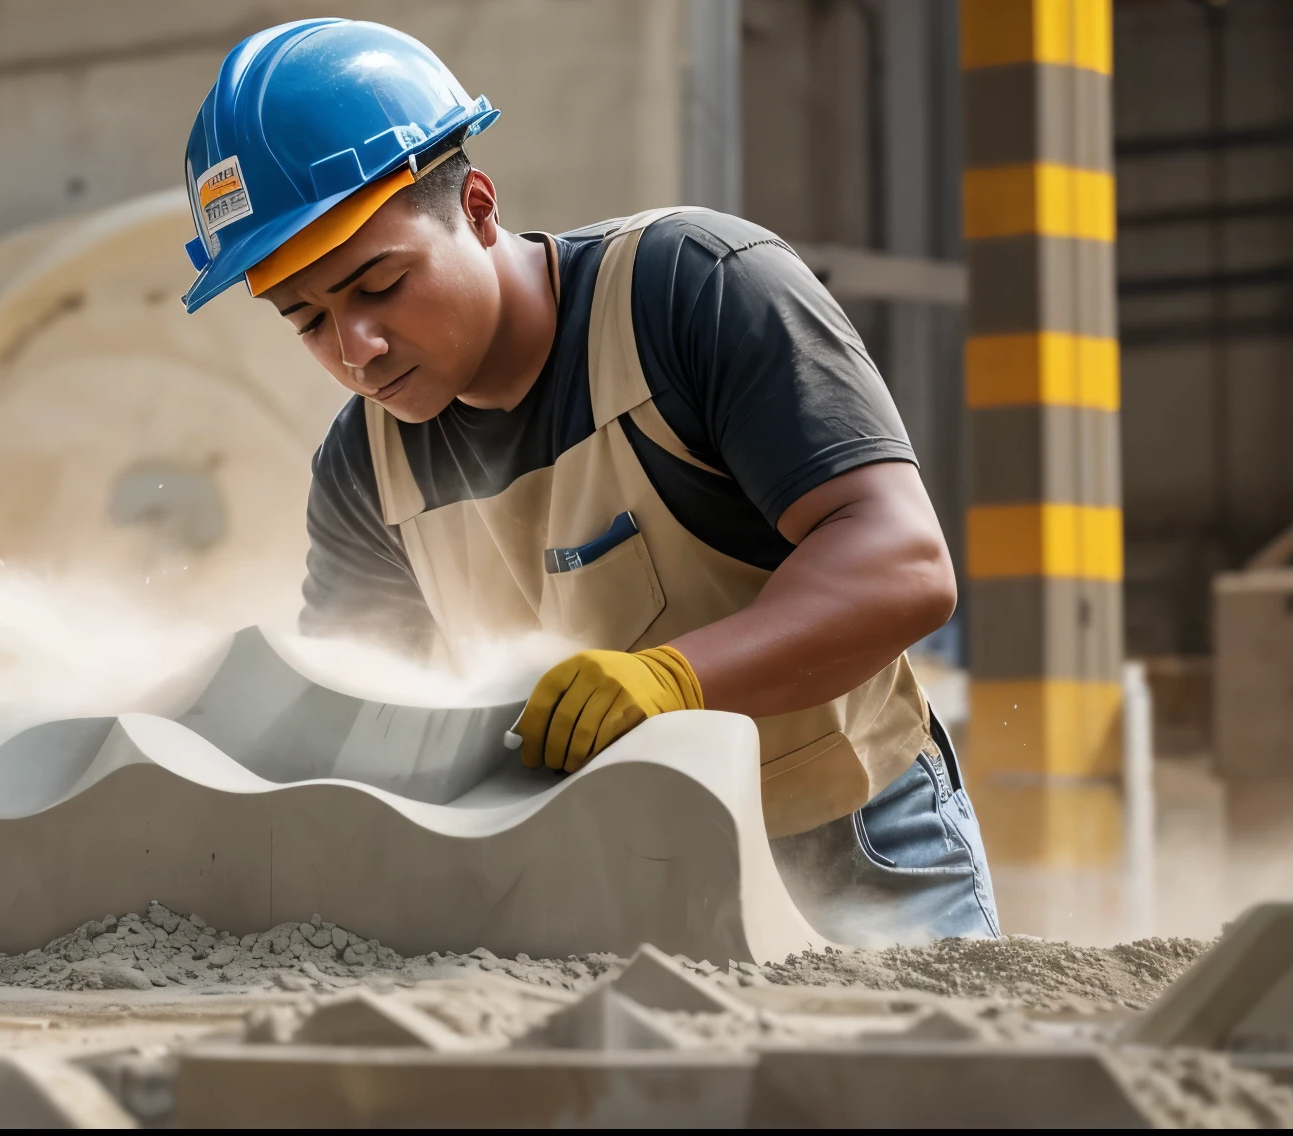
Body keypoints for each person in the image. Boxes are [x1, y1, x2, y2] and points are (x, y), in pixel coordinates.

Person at [179, 18, 996, 943]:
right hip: (589, 884)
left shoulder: (692, 293)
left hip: (850, 838)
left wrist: (676, 680)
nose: (355, 349)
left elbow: (902, 566)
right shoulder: (365, 469)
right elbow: (367, 720)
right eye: (307, 320)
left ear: (478, 207)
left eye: (379, 286)